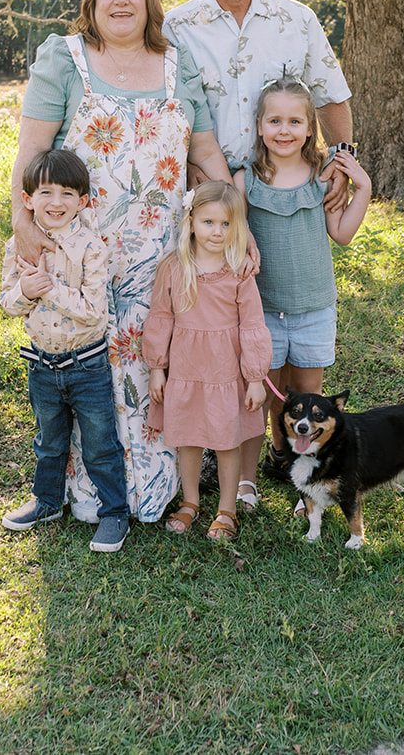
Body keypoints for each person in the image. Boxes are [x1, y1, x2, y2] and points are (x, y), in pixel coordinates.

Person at [11, 0, 235, 524]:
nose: (121, 1)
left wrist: (238, 224)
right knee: (85, 368)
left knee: (151, 361)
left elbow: (205, 151)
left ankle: (152, 484)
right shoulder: (64, 60)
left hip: (159, 257)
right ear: (92, 1)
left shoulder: (177, 65)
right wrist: (23, 223)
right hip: (79, 256)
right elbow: (31, 154)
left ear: (149, 2)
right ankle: (80, 488)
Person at [234, 77, 371, 505]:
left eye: (295, 121)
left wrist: (363, 188)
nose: (284, 130)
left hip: (313, 310)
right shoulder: (245, 180)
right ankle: (247, 481)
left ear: (310, 127)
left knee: (307, 406)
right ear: (259, 126)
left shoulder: (323, 177)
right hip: (262, 313)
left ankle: (307, 485)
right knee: (261, 399)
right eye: (274, 121)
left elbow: (342, 233)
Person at [162, 0, 355, 199]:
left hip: (287, 190)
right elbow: (158, 114)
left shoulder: (299, 21)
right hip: (205, 195)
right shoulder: (174, 28)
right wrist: (184, 165)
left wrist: (343, 162)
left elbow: (330, 97)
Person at [0, 148, 129, 552]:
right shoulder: (18, 245)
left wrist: (49, 290)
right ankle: (47, 502)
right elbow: (7, 302)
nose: (56, 202)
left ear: (82, 201)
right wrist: (25, 291)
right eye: (46, 193)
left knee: (100, 444)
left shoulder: (92, 247)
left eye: (67, 194)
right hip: (41, 364)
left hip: (86, 365)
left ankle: (114, 512)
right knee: (49, 442)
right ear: (28, 199)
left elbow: (93, 312)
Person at [142, 181, 272, 541]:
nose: (217, 232)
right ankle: (190, 501)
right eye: (209, 222)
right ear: (191, 221)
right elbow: (160, 318)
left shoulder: (239, 270)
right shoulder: (174, 267)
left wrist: (256, 377)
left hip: (225, 371)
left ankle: (227, 510)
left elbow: (253, 325)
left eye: (226, 224)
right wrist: (157, 368)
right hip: (186, 369)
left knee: (227, 441)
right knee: (188, 438)